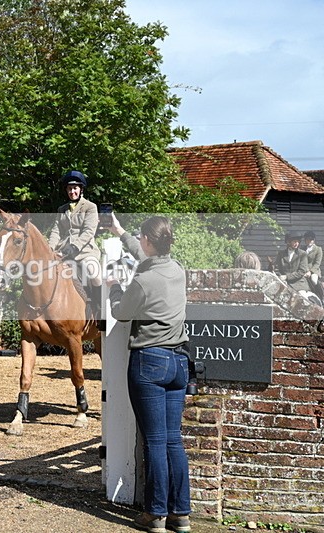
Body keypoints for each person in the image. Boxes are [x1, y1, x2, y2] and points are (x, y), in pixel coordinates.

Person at [107, 214, 191, 533]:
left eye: (141, 238)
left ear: (148, 240)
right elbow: (146, 255)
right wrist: (121, 232)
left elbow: (122, 313)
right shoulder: (178, 270)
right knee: (173, 441)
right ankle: (180, 514)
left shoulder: (143, 281)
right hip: (178, 363)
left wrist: (114, 289)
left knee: (154, 441)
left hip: (150, 361)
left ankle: (155, 514)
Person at [47, 170, 103, 318]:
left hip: (85, 251)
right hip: (64, 251)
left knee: (94, 272)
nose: (72, 191)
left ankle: (99, 309)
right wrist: (50, 249)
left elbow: (89, 231)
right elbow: (56, 231)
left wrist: (75, 246)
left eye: (75, 188)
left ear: (81, 189)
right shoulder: (62, 209)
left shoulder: (90, 207)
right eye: (69, 189)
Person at [303, 231, 322, 297]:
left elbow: (317, 263)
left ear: (314, 240)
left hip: (314, 270)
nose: (309, 241)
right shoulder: (302, 249)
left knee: (314, 280)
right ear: (305, 240)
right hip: (303, 269)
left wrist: (310, 272)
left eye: (311, 240)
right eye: (307, 240)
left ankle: (321, 296)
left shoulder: (318, 249)